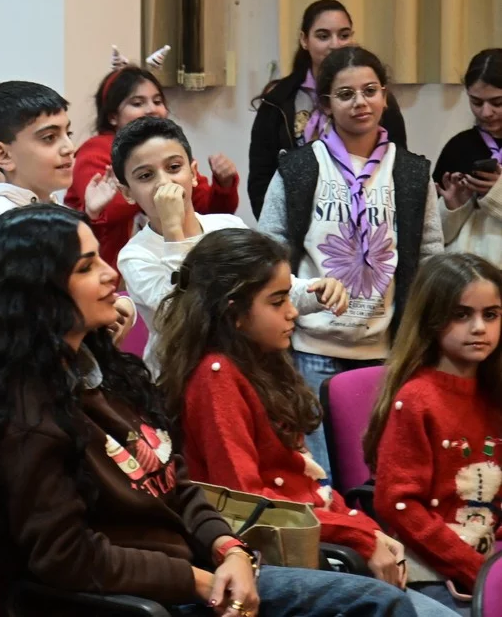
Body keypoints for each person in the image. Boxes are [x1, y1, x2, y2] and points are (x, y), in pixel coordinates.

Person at [0, 203, 423, 616]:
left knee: (380, 601)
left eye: (99, 258)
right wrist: (200, 579)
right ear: (37, 292)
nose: (108, 272)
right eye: (85, 267)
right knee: (377, 606)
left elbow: (174, 484)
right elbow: (66, 557)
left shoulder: (100, 374)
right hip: (147, 599)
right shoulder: (27, 415)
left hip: (199, 568)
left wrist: (229, 549)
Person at [155, 229, 455, 617]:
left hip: (318, 538)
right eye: (277, 301)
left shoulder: (259, 360)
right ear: (234, 314)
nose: (293, 311)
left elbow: (309, 485)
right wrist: (361, 538)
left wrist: (369, 531)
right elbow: (252, 506)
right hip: (271, 555)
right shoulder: (217, 376)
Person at [258, 45, 442, 474]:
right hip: (312, 347)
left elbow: (431, 257)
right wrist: (301, 296)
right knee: (323, 477)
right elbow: (268, 252)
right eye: (346, 94)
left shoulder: (412, 173)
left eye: (370, 90)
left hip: (386, 348)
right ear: (326, 104)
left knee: (378, 473)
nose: (360, 103)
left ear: (385, 96)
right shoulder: (300, 169)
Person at [113, 116, 346, 371]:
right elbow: (182, 314)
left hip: (244, 369)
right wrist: (172, 230)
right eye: (146, 176)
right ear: (127, 192)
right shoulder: (135, 255)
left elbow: (272, 289)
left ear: (193, 173)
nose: (164, 183)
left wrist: (317, 291)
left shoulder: (227, 225)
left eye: (174, 167)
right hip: (179, 382)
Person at [364, 253, 502, 613]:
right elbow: (398, 504)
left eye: (491, 315)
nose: (479, 328)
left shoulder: (494, 393)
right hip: (432, 571)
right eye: (461, 315)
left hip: (487, 565)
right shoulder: (417, 399)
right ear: (432, 320)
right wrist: (476, 570)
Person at [0, 80, 118, 312]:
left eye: (68, 133)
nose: (69, 148)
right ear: (3, 155)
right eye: (49, 138)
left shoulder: (57, 210)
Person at [65, 63, 239, 277]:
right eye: (137, 103)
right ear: (112, 117)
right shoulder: (96, 150)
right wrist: (159, 192)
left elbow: (208, 209)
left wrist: (224, 184)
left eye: (157, 101)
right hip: (113, 272)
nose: (151, 109)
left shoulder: (168, 147)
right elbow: (104, 213)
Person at [249, 0, 408, 218]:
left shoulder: (376, 100)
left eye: (344, 35)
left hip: (372, 210)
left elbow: (399, 164)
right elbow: (261, 178)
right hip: (298, 217)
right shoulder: (278, 101)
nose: (335, 44)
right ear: (305, 40)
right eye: (323, 36)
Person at [433, 49, 502, 263]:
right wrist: (453, 207)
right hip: (470, 276)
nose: (486, 112)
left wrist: (497, 192)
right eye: (476, 102)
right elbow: (435, 237)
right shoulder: (459, 147)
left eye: (497, 103)